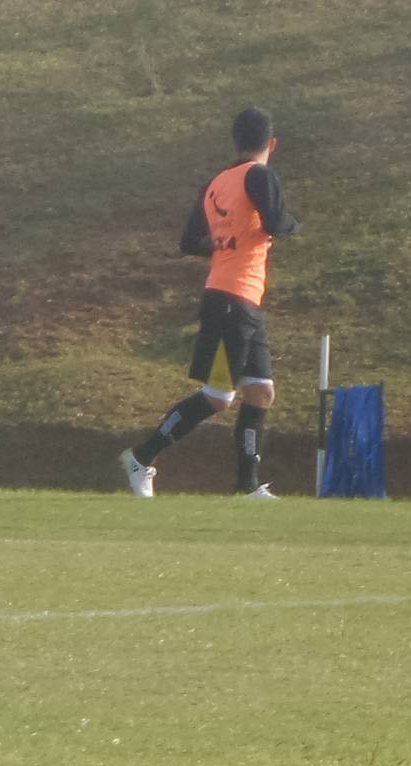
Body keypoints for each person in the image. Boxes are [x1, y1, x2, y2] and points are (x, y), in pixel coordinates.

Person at [122, 109, 297, 499]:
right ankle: (141, 458)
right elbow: (277, 222)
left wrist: (222, 243)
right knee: (219, 397)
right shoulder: (260, 176)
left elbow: (189, 241)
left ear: (235, 142)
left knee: (261, 391)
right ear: (272, 144)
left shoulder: (217, 182)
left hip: (244, 299)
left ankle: (247, 487)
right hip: (231, 298)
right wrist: (292, 224)